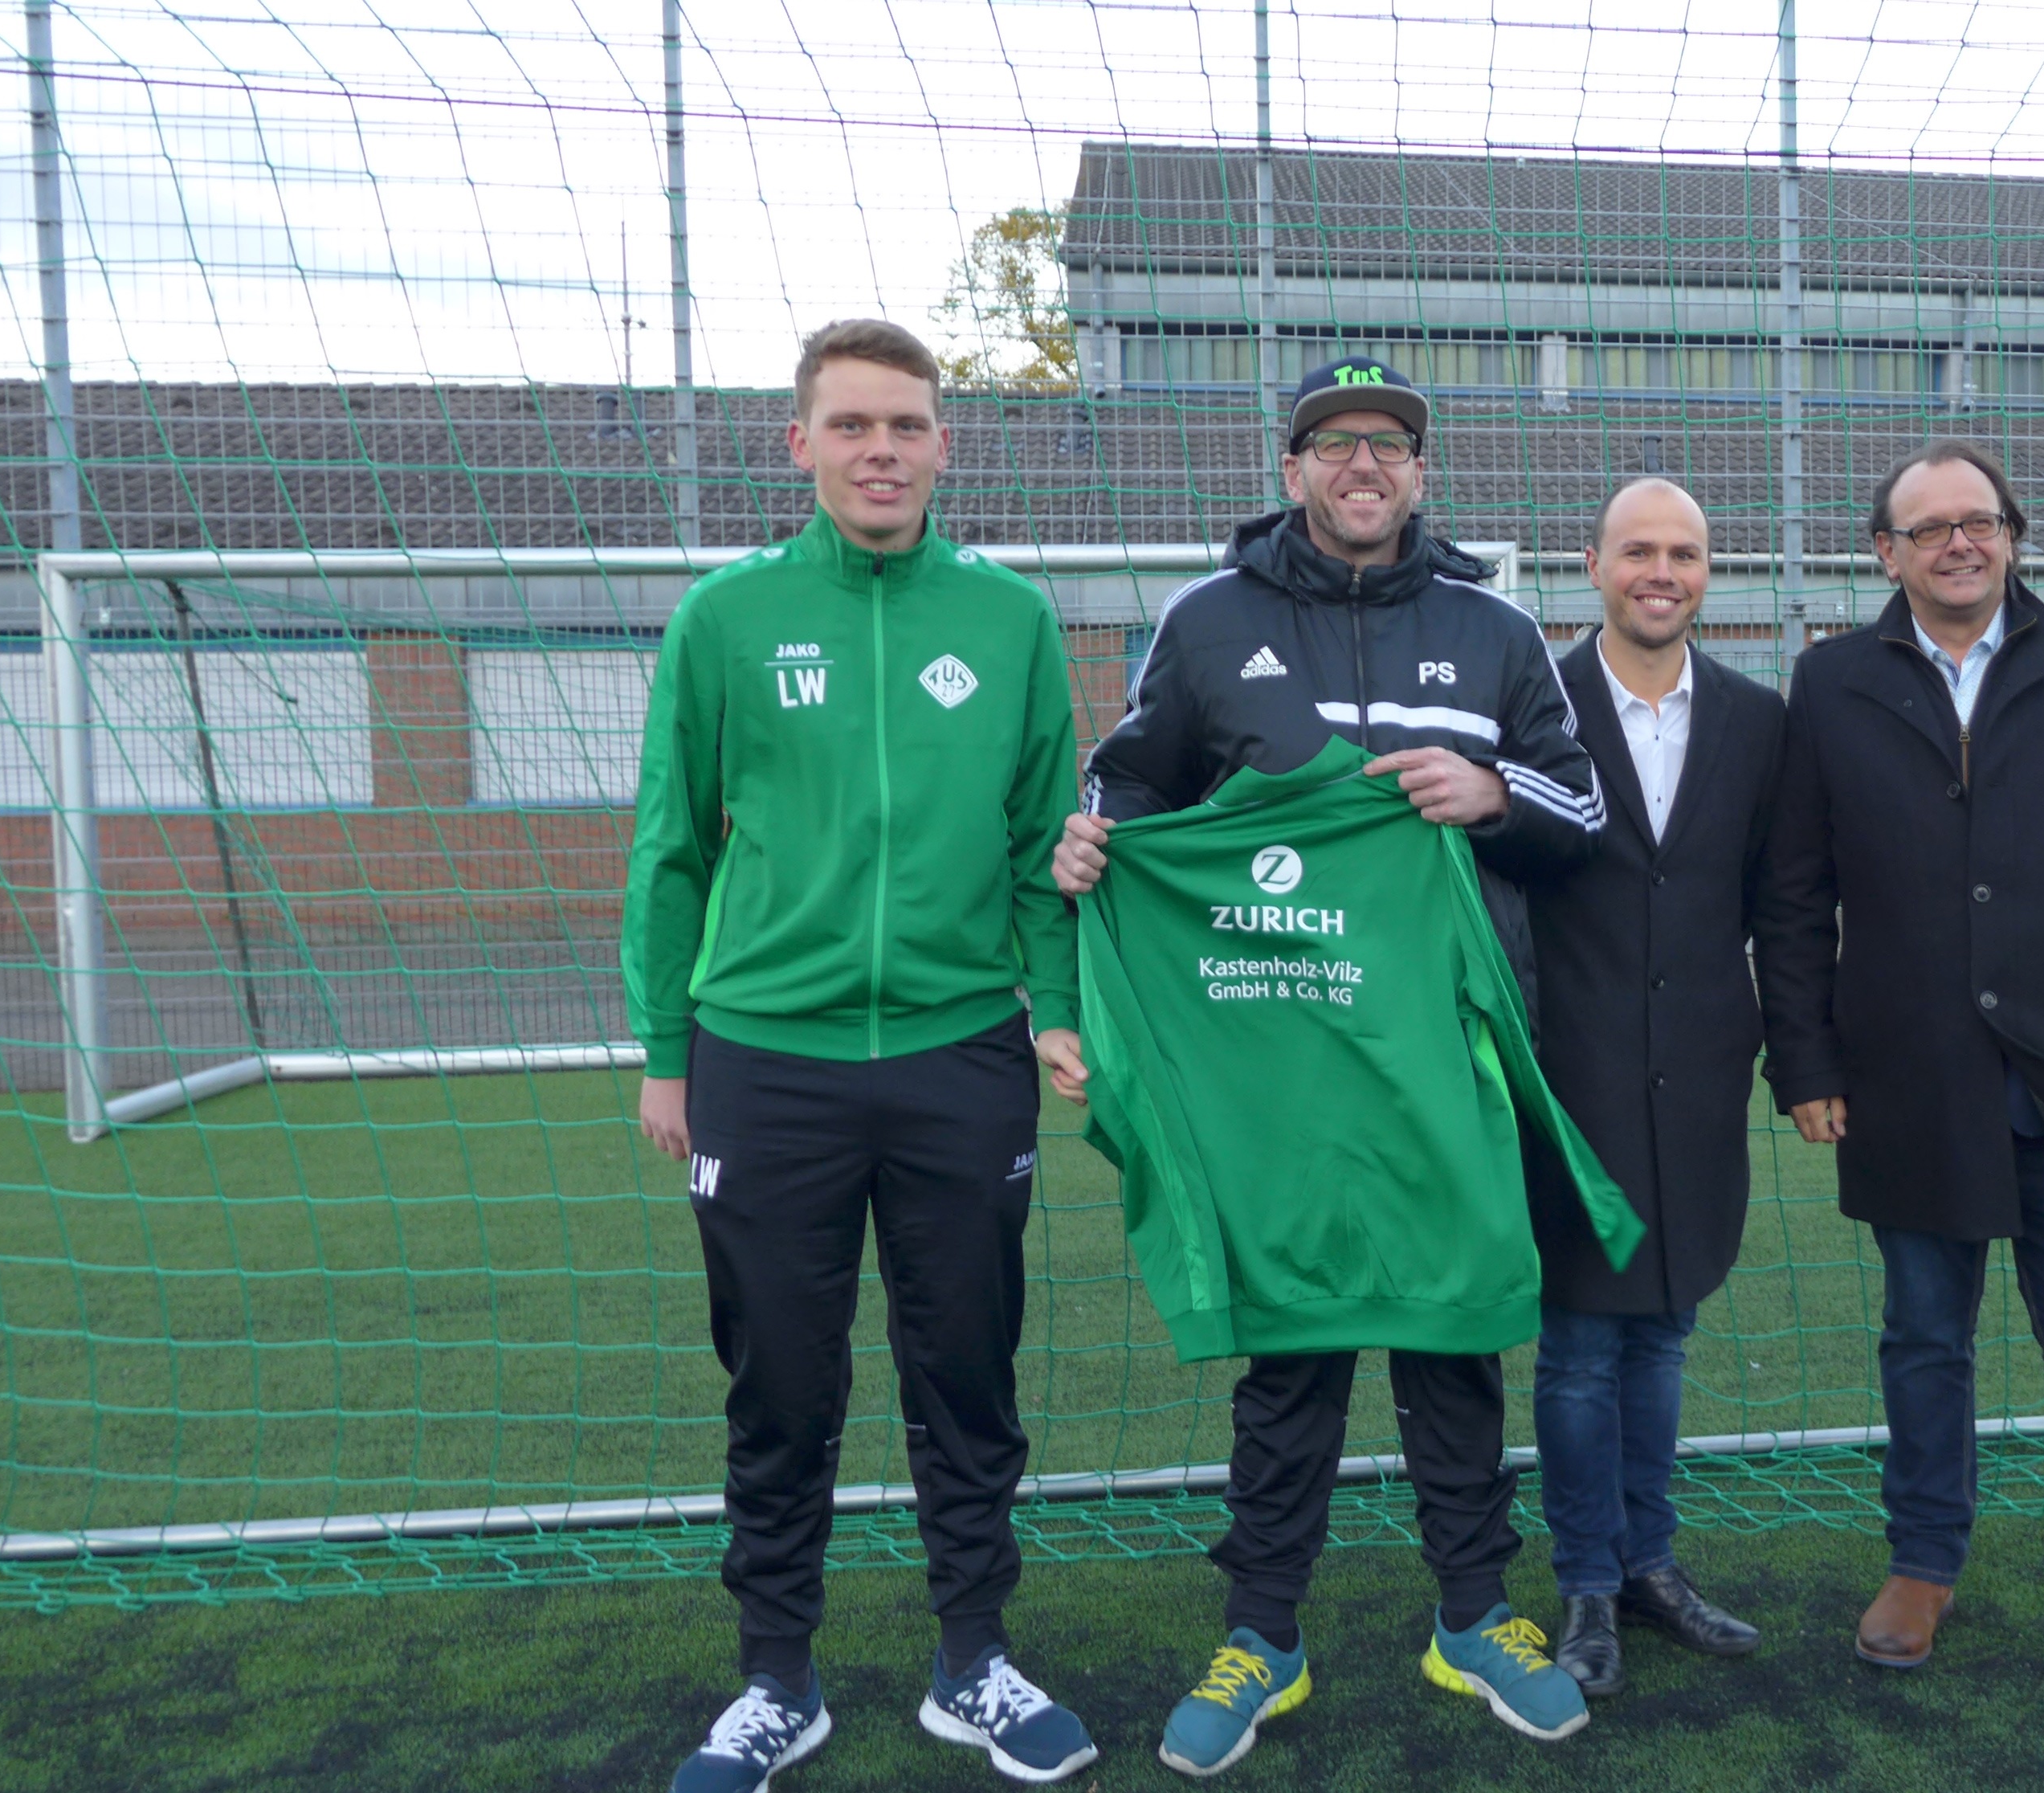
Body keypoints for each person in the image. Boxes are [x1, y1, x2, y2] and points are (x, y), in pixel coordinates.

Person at [1049, 356, 1608, 1776]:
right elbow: (1131, 781)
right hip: (1274, 1062)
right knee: (1290, 1350)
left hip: (1441, 1055)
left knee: (1452, 1337)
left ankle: (1474, 1618)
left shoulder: (1495, 628)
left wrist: (1489, 793)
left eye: (1391, 444)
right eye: (1337, 442)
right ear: (1292, 468)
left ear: (1421, 473)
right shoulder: (1208, 620)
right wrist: (1096, 837)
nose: (1366, 464)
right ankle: (1263, 1636)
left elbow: (1582, 806)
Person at [625, 317, 1099, 1790]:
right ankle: (777, 1681)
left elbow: (1042, 844)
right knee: (781, 1383)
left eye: (905, 425)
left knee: (967, 1373)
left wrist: (1057, 1002)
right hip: (766, 1064)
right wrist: (666, 1049)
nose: (880, 450)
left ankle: (976, 1663)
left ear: (944, 445)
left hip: (963, 1055)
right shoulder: (726, 618)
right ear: (802, 445)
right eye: (851, 426)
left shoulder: (1010, 620)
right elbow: (671, 848)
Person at [1754, 438, 2044, 1710]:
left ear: (2013, 536)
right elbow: (1793, 895)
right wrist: (1803, 1057)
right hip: (1907, 1082)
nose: (1961, 542)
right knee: (1924, 1341)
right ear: (1886, 553)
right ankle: (1922, 1564)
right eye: (1931, 527)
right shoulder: (1832, 681)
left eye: (1982, 520)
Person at [1521, 477, 1782, 1697]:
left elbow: (1778, 904)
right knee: (1581, 1342)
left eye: (1684, 552)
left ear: (1708, 572)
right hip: (1569, 1077)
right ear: (1593, 565)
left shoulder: (1757, 720)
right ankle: (1586, 1581)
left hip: (1700, 1079)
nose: (1661, 572)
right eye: (1638, 551)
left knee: (1666, 1327)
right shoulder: (1532, 704)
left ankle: (1649, 1564)